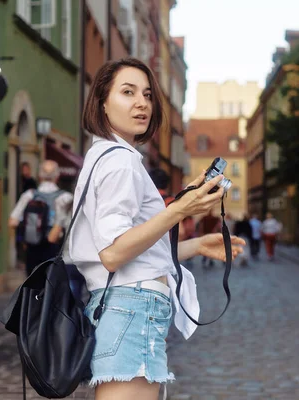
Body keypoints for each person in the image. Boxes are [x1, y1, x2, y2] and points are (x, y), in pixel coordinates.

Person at [69, 57, 245, 400]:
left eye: (147, 95)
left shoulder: (110, 155)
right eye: (127, 92)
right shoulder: (120, 162)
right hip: (131, 308)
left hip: (127, 305)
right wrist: (180, 210)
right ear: (103, 103)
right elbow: (113, 253)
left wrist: (192, 246)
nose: (141, 103)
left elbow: (131, 250)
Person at [9, 160, 73, 277]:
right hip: (56, 250)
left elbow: (12, 222)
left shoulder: (29, 195)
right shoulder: (65, 198)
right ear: (57, 176)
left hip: (32, 249)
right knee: (52, 289)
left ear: (39, 176)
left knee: (33, 288)